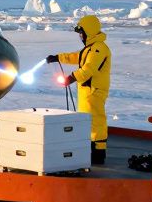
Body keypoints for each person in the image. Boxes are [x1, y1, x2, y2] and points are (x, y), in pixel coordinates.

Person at [47, 14, 112, 165]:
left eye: (81, 33)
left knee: (96, 121)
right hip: (86, 91)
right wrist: (58, 57)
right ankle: (89, 149)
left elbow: (89, 69)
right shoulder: (89, 49)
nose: (80, 36)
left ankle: (98, 153)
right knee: (88, 121)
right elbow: (76, 57)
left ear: (88, 31)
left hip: (94, 91)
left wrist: (71, 78)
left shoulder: (99, 49)